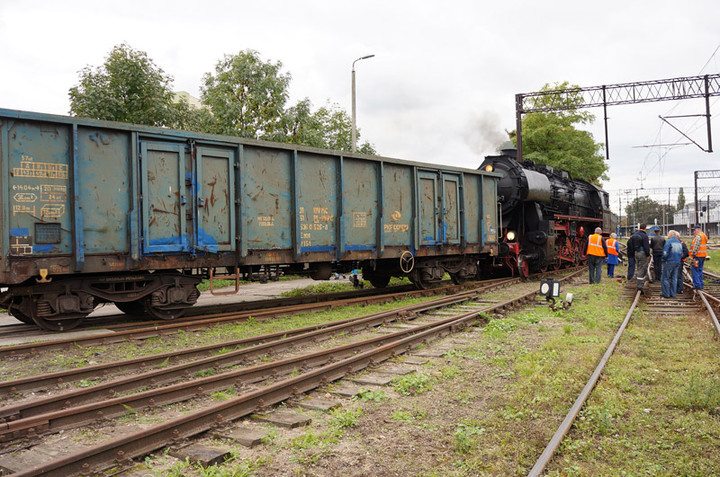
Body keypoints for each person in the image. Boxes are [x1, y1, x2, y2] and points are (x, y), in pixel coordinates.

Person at [660, 230, 683, 298]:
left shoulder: (669, 242)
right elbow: (681, 253)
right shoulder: (679, 242)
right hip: (677, 262)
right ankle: (673, 294)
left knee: (665, 278)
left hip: (669, 261)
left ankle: (666, 293)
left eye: (668, 233)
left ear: (671, 234)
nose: (667, 235)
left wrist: (663, 259)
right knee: (674, 278)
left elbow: (665, 253)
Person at [628, 223, 651, 290]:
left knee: (638, 267)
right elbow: (646, 246)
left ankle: (639, 282)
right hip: (642, 253)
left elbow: (631, 245)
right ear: (645, 228)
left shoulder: (634, 235)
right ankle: (640, 285)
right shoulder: (644, 235)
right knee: (642, 268)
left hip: (636, 253)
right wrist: (648, 254)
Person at [689, 225, 708, 289]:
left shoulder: (699, 236)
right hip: (702, 256)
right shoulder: (704, 236)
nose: (694, 231)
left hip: (697, 256)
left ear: (698, 229)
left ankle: (697, 285)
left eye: (695, 230)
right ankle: (700, 284)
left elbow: (696, 246)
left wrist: (693, 255)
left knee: (695, 270)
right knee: (700, 270)